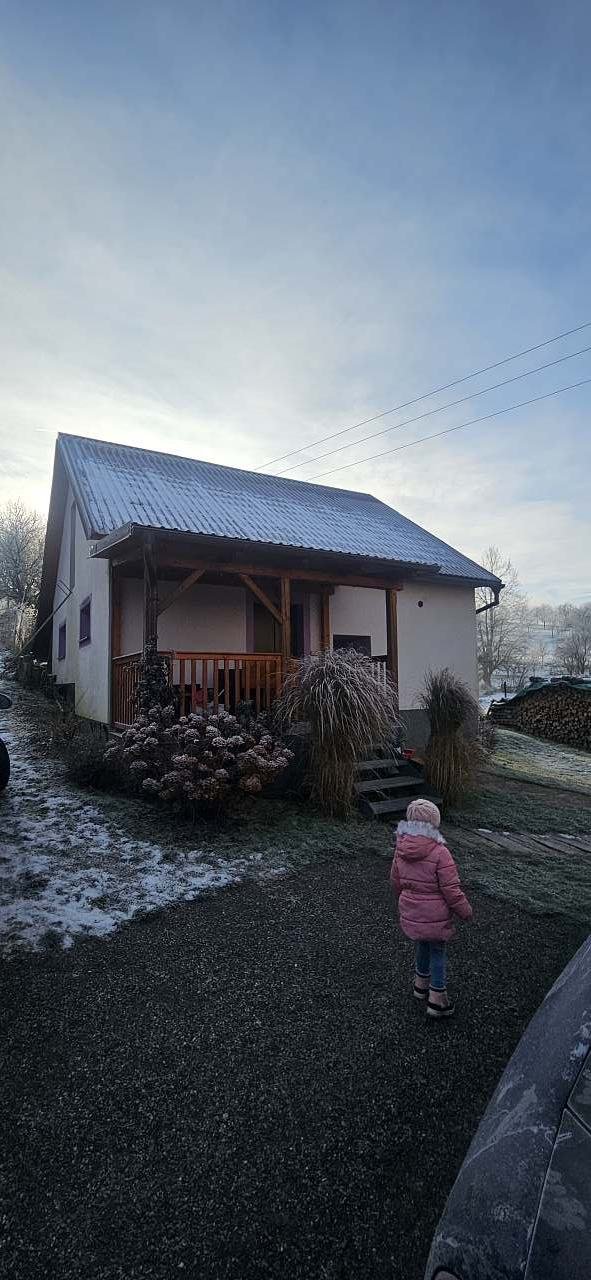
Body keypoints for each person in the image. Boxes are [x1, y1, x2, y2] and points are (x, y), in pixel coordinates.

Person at [390, 797, 472, 1019]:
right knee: (437, 950)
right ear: (433, 823)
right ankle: (437, 998)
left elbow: (395, 880)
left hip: (412, 910)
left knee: (422, 944)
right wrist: (465, 910)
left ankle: (420, 985)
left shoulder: (400, 848)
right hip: (435, 914)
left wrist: (404, 900)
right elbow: (451, 889)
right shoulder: (440, 852)